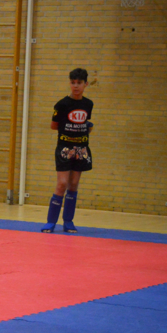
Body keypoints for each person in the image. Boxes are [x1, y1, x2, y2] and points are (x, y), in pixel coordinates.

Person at [41, 68, 93, 233]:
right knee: (62, 183)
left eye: (79, 83)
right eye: (73, 83)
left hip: (81, 148)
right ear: (69, 83)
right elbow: (53, 126)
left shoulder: (88, 104)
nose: (76, 86)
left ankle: (68, 221)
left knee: (74, 184)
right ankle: (50, 222)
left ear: (85, 84)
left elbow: (86, 123)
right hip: (65, 147)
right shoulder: (62, 104)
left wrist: (86, 128)